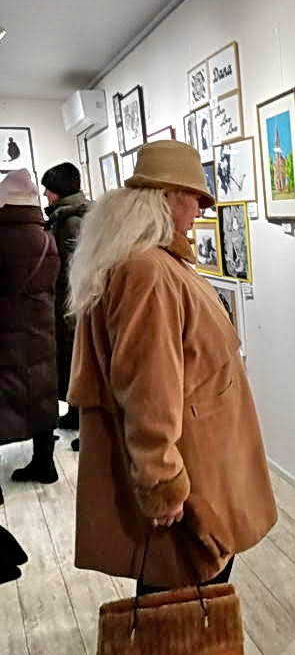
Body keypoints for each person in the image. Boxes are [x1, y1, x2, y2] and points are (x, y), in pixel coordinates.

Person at [67, 140, 277, 595]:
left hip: (200, 456)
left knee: (187, 589)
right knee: (187, 594)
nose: (200, 210)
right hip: (191, 467)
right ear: (165, 197)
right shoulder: (148, 272)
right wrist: (163, 482)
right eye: (195, 198)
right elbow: (148, 388)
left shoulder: (147, 262)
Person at [0, 169, 60, 490]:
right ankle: (45, 464)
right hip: (41, 331)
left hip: (6, 332)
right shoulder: (46, 237)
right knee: (42, 395)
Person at [41, 162, 90, 450]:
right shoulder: (72, 215)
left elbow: (71, 270)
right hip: (73, 300)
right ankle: (74, 414)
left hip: (72, 302)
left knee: (76, 359)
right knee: (73, 359)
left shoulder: (70, 221)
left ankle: (85, 422)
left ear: (58, 191)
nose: (45, 195)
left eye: (48, 189)